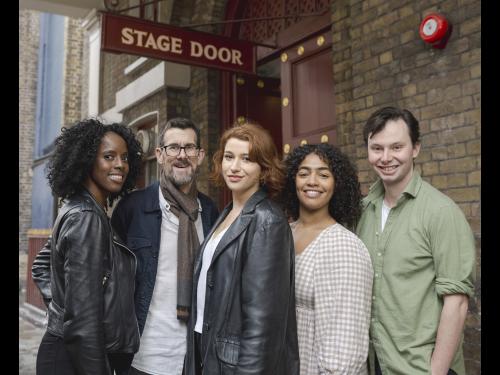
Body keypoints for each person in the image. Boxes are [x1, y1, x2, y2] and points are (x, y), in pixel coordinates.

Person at [356, 106, 476, 375]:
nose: (386, 158)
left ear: (415, 148)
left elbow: (456, 303)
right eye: (377, 148)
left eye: (396, 147)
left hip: (421, 369)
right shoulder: (363, 211)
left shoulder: (441, 212)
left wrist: (436, 371)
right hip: (377, 364)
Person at [184, 121, 299, 375]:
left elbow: (263, 323)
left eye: (246, 159)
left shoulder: (267, 220)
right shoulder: (225, 214)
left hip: (236, 364)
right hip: (206, 350)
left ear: (263, 168)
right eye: (228, 157)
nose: (234, 167)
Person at [31, 118, 143, 375]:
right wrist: (69, 315)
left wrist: (63, 312)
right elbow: (83, 322)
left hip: (70, 352)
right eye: (109, 156)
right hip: (74, 360)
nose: (120, 165)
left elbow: (41, 266)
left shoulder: (84, 208)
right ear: (87, 160)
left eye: (125, 158)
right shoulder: (86, 217)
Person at [110, 117, 219, 375]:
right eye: (173, 148)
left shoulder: (210, 212)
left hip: (194, 358)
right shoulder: (131, 209)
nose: (182, 155)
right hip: (143, 358)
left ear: (200, 155)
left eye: (189, 148)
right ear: (159, 154)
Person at [283, 143, 373, 374]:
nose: (312, 181)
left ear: (337, 184)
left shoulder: (343, 247)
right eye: (304, 173)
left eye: (324, 174)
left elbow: (344, 345)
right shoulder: (283, 233)